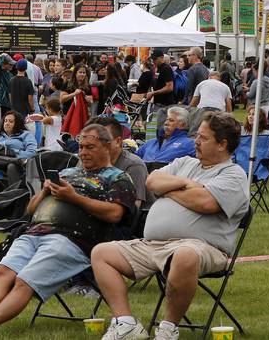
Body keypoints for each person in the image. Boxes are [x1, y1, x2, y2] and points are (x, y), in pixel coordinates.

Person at [0, 124, 135, 336]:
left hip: (74, 241)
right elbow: (30, 210)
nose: (83, 153)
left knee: (24, 281)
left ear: (106, 147)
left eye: (90, 147)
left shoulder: (117, 178)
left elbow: (115, 214)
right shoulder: (67, 173)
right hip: (34, 233)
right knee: (3, 271)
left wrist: (73, 198)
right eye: (81, 147)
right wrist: (44, 192)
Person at [91, 113, 248, 340]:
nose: (196, 141)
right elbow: (152, 181)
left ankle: (168, 328)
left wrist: (169, 190)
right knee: (101, 253)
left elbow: (205, 203)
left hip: (202, 247)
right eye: (197, 136)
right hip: (153, 244)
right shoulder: (185, 163)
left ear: (223, 144)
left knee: (185, 255)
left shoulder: (233, 175)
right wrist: (185, 184)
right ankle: (126, 324)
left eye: (203, 138)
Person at [92, 116, 154, 209]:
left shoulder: (133, 165)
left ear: (118, 141)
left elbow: (133, 210)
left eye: (103, 140)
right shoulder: (89, 158)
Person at [0, 110, 37, 185]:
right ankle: (16, 160)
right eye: (5, 121)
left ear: (17, 123)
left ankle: (14, 193)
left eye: (11, 121)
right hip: (0, 162)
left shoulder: (26, 135)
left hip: (21, 166)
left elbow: (32, 153)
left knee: (11, 166)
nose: (7, 123)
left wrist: (13, 153)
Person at [0, 54, 15, 123]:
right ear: (4, 64)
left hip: (9, 103)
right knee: (0, 124)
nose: (12, 66)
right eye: (10, 64)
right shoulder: (0, 73)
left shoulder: (10, 74)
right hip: (1, 103)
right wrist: (3, 56)